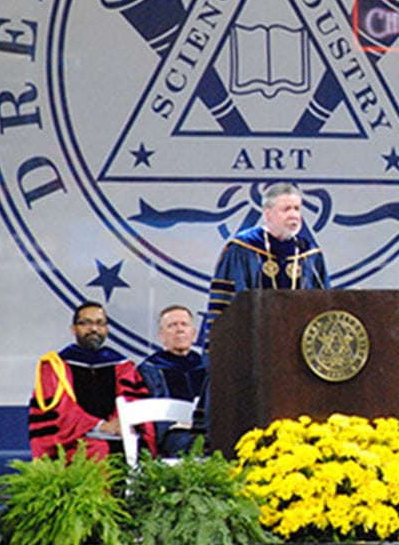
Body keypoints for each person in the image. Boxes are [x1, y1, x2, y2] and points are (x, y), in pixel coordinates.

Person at [28, 301, 154, 459]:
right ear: (73, 329)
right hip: (73, 439)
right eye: (85, 323)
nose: (94, 329)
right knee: (97, 449)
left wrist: (120, 422)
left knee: (135, 449)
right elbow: (60, 409)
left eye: (100, 323)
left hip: (119, 434)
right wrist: (100, 426)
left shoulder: (123, 365)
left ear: (107, 329)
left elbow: (132, 400)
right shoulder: (55, 366)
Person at [204, 182, 327, 341]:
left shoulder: (309, 254)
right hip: (254, 347)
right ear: (267, 214)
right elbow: (227, 305)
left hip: (300, 344)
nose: (294, 215)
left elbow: (324, 303)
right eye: (286, 209)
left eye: (297, 208)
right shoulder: (242, 249)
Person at [137, 305, 209, 456]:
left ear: (194, 334)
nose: (180, 329)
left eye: (184, 324)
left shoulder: (207, 366)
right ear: (161, 336)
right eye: (172, 326)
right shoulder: (150, 368)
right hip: (174, 432)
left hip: (209, 429)